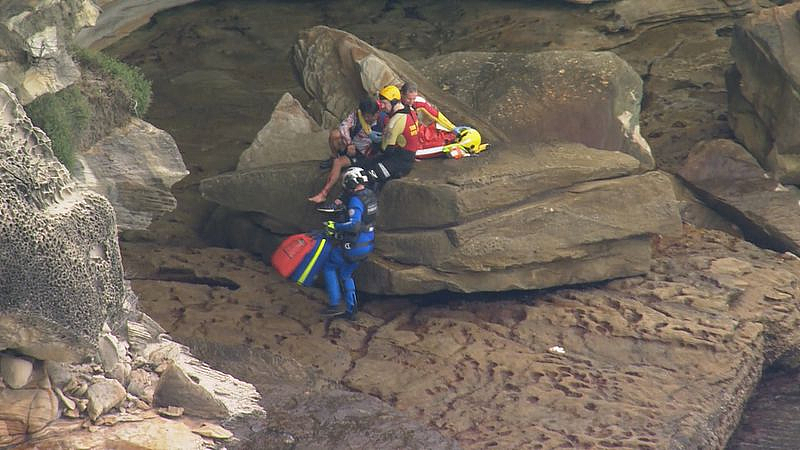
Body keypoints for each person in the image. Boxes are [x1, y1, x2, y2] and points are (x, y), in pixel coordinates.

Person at [320, 166, 377, 321]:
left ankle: (334, 304)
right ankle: (352, 310)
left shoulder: (355, 200)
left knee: (329, 266)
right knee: (346, 274)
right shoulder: (370, 195)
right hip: (368, 245)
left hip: (354, 247)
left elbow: (354, 225)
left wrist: (335, 226)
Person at [310, 99, 382, 203]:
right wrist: (349, 143)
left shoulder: (382, 121)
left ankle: (323, 193)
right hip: (352, 146)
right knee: (335, 134)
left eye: (369, 116)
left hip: (363, 154)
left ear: (376, 114)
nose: (366, 118)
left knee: (338, 163)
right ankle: (334, 156)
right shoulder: (358, 115)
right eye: (365, 115)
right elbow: (343, 126)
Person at [361, 83, 421, 191]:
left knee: (365, 175)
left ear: (393, 102)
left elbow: (387, 149)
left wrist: (379, 140)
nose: (382, 106)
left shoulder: (395, 120)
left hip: (400, 162)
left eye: (384, 103)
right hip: (406, 157)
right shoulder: (410, 111)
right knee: (370, 163)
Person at [399, 81, 458, 159]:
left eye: (413, 98)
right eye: (409, 99)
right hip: (405, 135)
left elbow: (436, 115)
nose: (411, 102)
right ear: (402, 94)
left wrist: (453, 128)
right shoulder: (397, 105)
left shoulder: (418, 102)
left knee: (439, 135)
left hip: (417, 130)